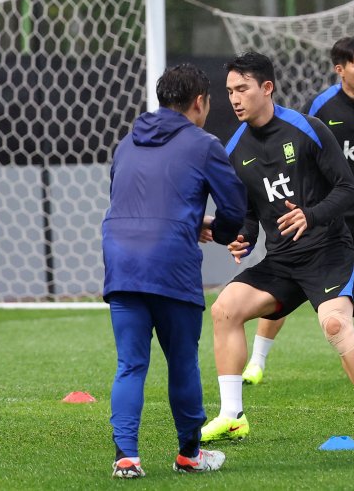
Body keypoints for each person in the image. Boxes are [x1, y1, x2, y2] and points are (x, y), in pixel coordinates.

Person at [200, 52, 354, 448]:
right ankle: (232, 416)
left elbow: (348, 189)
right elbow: (250, 211)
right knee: (223, 310)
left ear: (266, 88)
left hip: (329, 251)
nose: (234, 98)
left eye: (242, 89)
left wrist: (311, 216)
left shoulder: (308, 128)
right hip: (283, 260)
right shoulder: (234, 148)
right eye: (229, 91)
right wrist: (245, 237)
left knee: (336, 326)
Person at [102, 64, 247, 478]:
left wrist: (183, 219)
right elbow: (234, 208)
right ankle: (189, 455)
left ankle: (126, 458)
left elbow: (123, 196)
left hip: (122, 260)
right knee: (182, 361)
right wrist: (218, 231)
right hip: (169, 262)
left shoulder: (128, 142)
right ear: (199, 102)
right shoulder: (204, 144)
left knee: (130, 364)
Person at [241, 36, 354, 385]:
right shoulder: (321, 107)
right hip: (322, 217)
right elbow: (295, 143)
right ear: (339, 69)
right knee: (282, 288)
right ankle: (257, 361)